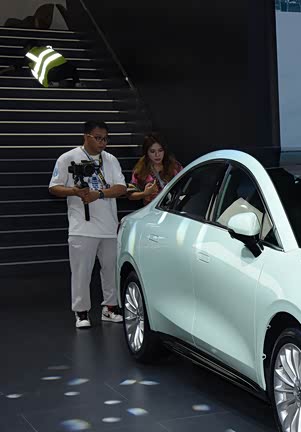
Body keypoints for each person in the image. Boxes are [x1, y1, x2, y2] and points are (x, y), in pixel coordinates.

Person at [48, 120, 128, 328]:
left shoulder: (110, 160)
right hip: (82, 227)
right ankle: (81, 312)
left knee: (111, 270)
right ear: (86, 136)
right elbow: (54, 187)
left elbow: (121, 188)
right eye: (98, 138)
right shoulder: (68, 158)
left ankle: (110, 307)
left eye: (106, 139)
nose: (103, 143)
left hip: (109, 226)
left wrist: (98, 194)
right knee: (81, 272)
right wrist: (74, 191)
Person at [128, 134, 183, 205]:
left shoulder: (175, 167)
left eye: (160, 150)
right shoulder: (140, 170)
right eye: (152, 151)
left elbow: (186, 185)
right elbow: (130, 195)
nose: (157, 155)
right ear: (147, 153)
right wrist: (145, 193)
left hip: (174, 208)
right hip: (152, 209)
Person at [0, 41, 81, 88]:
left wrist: (3, 71)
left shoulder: (30, 54)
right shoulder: (46, 48)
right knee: (72, 68)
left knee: (34, 72)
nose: (24, 51)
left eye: (25, 48)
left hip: (52, 73)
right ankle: (77, 83)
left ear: (29, 47)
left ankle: (54, 83)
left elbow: (17, 66)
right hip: (67, 69)